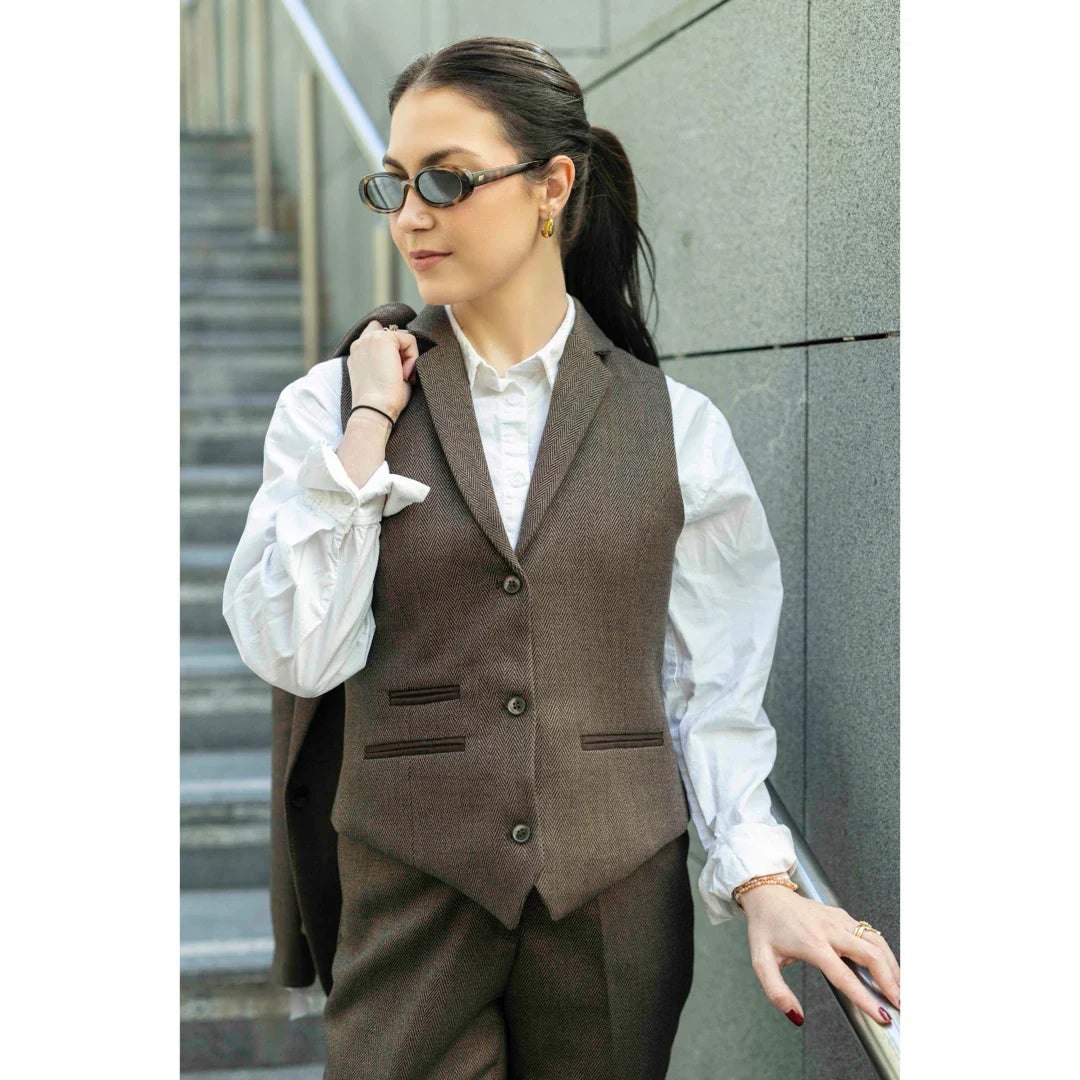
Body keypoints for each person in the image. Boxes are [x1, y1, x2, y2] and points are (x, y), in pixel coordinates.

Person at [223, 34, 900, 1080]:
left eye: (446, 178)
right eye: (395, 183)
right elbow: (293, 651)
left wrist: (768, 883)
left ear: (552, 187)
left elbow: (710, 690)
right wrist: (366, 423)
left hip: (614, 904)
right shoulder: (326, 408)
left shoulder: (677, 426)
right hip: (409, 900)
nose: (411, 215)